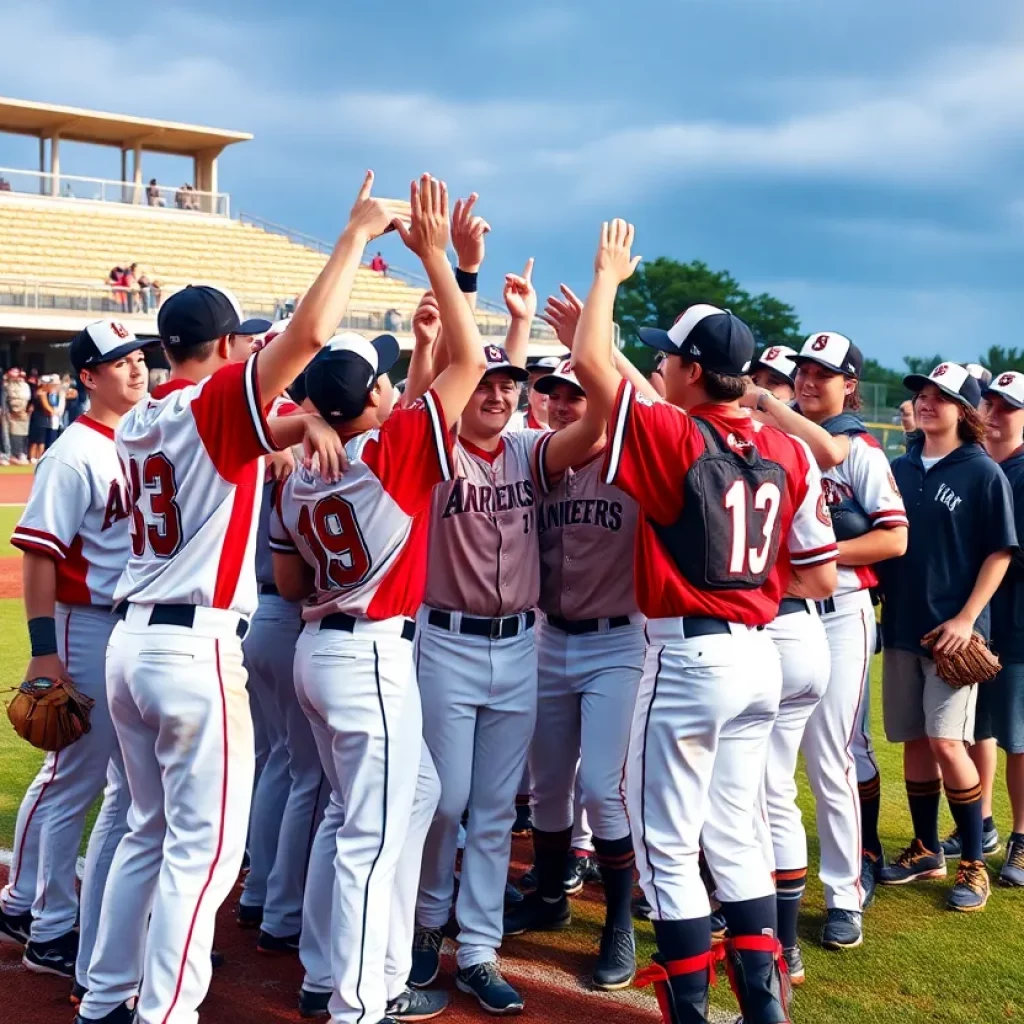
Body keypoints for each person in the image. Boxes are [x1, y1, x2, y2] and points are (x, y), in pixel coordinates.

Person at [74, 170, 397, 1024]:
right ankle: (166, 1014)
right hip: (192, 648)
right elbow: (313, 331)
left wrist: (303, 424)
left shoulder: (143, 415)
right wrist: (357, 234)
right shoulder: (216, 403)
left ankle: (104, 996)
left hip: (129, 643)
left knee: (148, 831)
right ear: (224, 349)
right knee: (205, 854)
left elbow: (247, 427)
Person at [571, 220, 838, 1024]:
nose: (657, 364)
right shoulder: (786, 449)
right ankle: (763, 1008)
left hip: (689, 656)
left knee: (667, 850)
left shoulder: (675, 434)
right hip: (763, 649)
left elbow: (592, 367)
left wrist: (607, 278)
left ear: (694, 370)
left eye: (667, 356)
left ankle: (690, 1010)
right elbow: (805, 554)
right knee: (736, 833)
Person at [272, 173, 488, 1024]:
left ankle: (327, 970)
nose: (396, 388)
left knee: (397, 799)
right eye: (385, 383)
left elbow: (289, 581)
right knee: (371, 833)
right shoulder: (387, 451)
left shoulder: (299, 470)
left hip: (320, 645)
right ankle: (359, 1002)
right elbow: (470, 365)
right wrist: (439, 260)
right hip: (369, 654)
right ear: (364, 403)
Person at [408, 286, 607, 1015]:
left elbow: (600, 426)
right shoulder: (428, 451)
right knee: (444, 802)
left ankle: (481, 948)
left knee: (493, 810)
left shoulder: (528, 451)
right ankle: (429, 924)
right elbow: (420, 400)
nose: (497, 394)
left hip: (521, 646)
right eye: (485, 382)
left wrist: (590, 338)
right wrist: (441, 331)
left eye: (507, 385)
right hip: (447, 645)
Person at [0, 322, 145, 991]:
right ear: (88, 376)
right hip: (83, 624)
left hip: (126, 627)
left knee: (113, 780)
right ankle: (48, 923)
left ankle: (37, 906)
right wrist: (41, 654)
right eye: (119, 361)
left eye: (139, 356)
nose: (135, 369)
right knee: (75, 777)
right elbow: (37, 555)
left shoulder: (141, 439)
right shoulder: (74, 452)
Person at [502, 352, 648, 991]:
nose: (563, 404)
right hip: (548, 635)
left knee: (603, 789)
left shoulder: (634, 460)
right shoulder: (534, 460)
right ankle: (552, 895)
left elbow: (659, 414)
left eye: (576, 393)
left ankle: (619, 920)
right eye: (554, 393)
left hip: (618, 641)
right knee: (548, 785)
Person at [877, 361, 1016, 914]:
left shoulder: (982, 472)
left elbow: (1001, 552)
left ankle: (974, 860)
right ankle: (925, 848)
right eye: (924, 394)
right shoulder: (901, 468)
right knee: (914, 738)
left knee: (946, 742)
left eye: (943, 396)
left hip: (952, 636)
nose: (929, 402)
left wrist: (967, 619)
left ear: (965, 410)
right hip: (903, 625)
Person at [971, 371, 1024, 885]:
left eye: (1007, 406)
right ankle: (981, 825)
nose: (993, 413)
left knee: (1020, 740)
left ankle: (1022, 840)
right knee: (975, 730)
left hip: (1017, 625)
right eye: (989, 402)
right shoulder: (980, 467)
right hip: (980, 625)